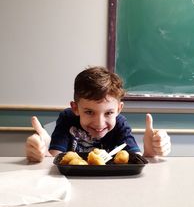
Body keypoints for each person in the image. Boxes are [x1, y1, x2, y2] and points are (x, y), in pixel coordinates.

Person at [26, 66, 171, 162]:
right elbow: (56, 159)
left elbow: (135, 160)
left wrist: (149, 154)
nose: (99, 123)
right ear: (75, 108)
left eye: (108, 113)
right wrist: (43, 155)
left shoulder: (120, 123)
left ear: (119, 109)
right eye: (89, 112)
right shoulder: (67, 118)